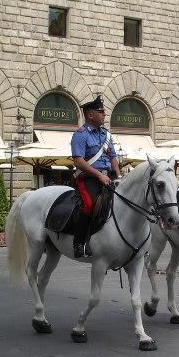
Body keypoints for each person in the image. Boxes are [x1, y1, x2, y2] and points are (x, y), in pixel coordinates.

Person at [70, 96, 121, 259]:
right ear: (90, 114)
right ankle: (79, 243)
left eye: (103, 111)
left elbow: (113, 156)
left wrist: (118, 176)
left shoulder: (106, 134)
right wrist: (99, 175)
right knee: (90, 205)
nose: (104, 114)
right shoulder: (81, 134)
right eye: (101, 112)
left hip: (108, 177)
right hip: (88, 178)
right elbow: (78, 161)